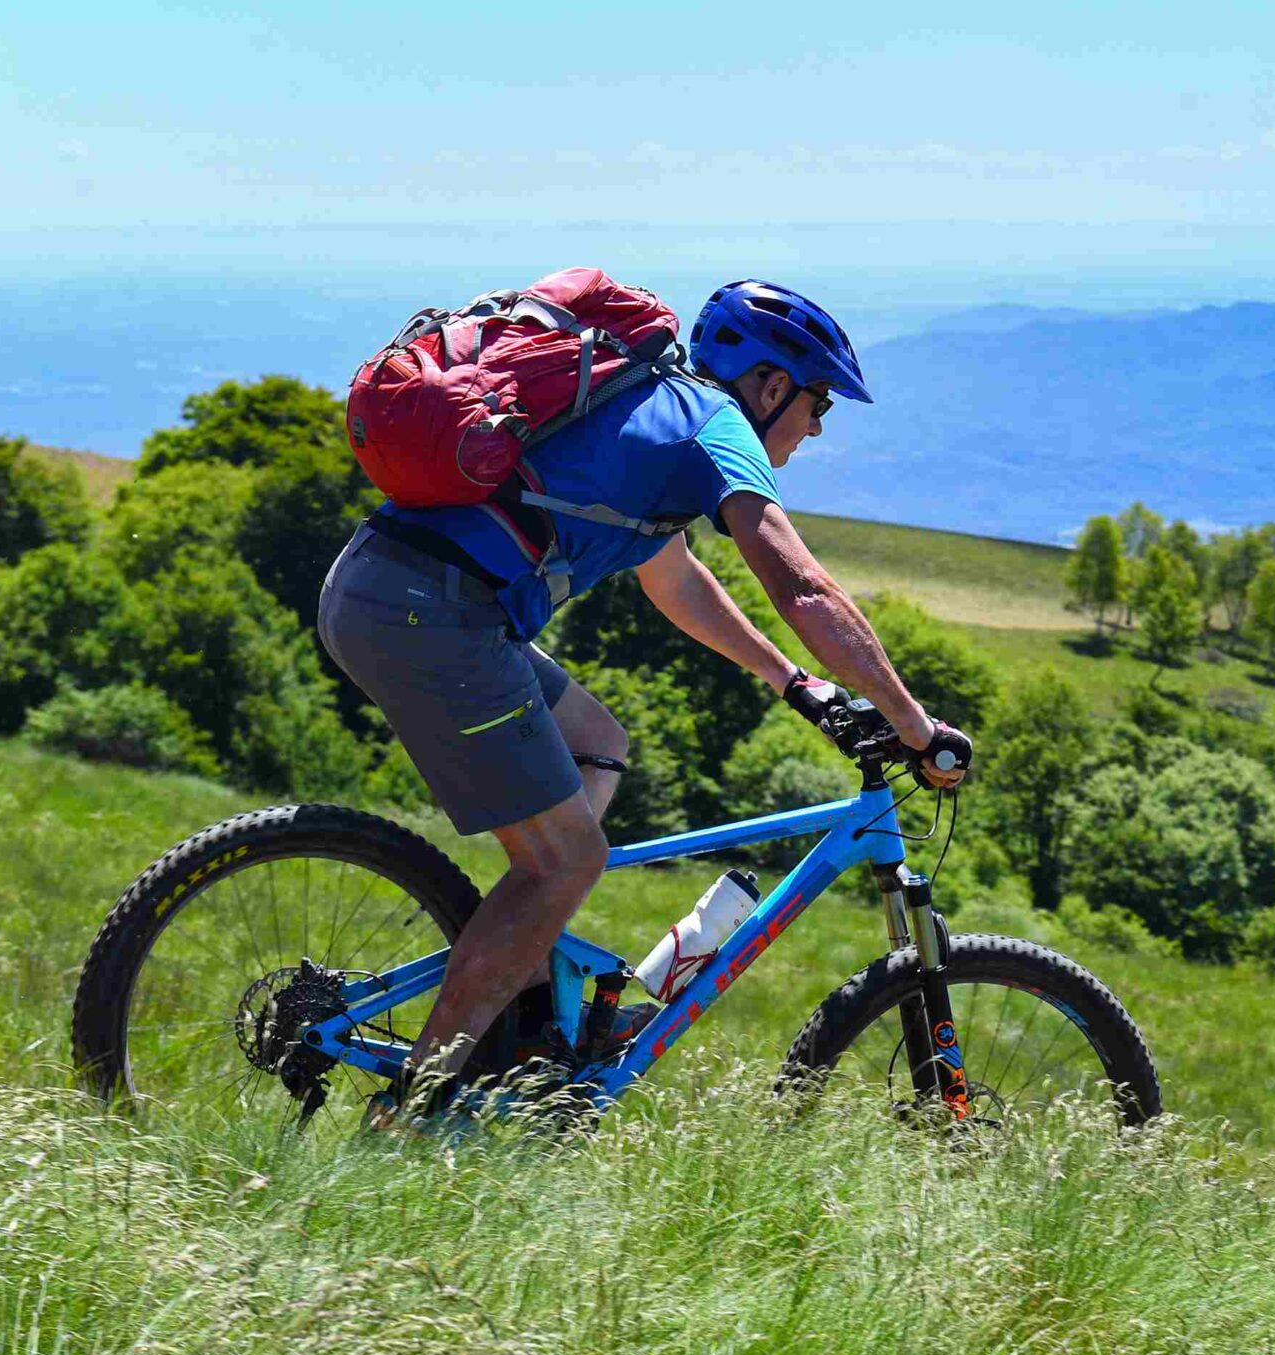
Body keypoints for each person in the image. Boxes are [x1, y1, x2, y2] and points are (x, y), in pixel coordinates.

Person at [317, 279, 967, 1111]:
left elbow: (677, 580)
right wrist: (916, 726)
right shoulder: (714, 425)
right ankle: (421, 1100)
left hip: (379, 586)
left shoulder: (652, 413)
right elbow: (798, 584)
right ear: (771, 386)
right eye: (818, 405)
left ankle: (514, 981)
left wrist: (794, 682)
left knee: (598, 742)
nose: (814, 427)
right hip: (436, 613)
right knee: (569, 860)